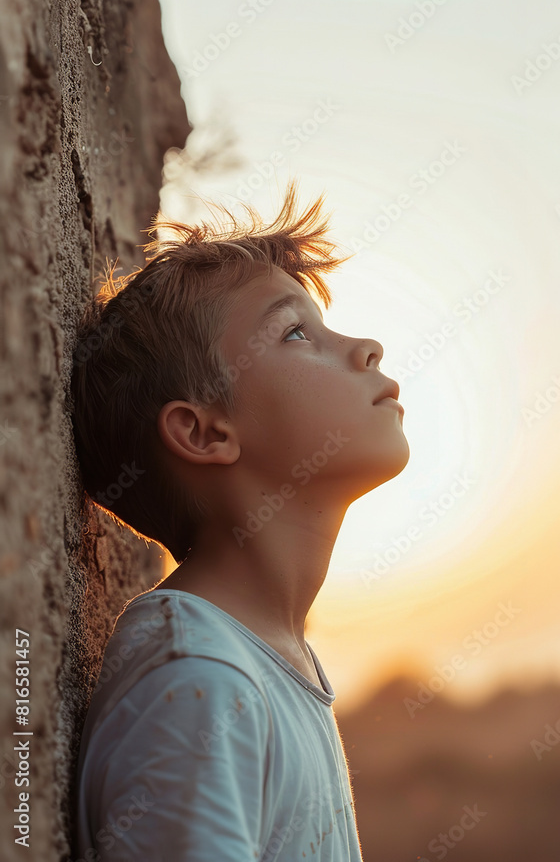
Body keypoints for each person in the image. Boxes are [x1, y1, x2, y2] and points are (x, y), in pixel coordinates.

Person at [71, 181, 410, 861]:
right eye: (295, 332)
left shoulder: (262, 663)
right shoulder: (197, 683)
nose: (367, 346)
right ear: (203, 433)